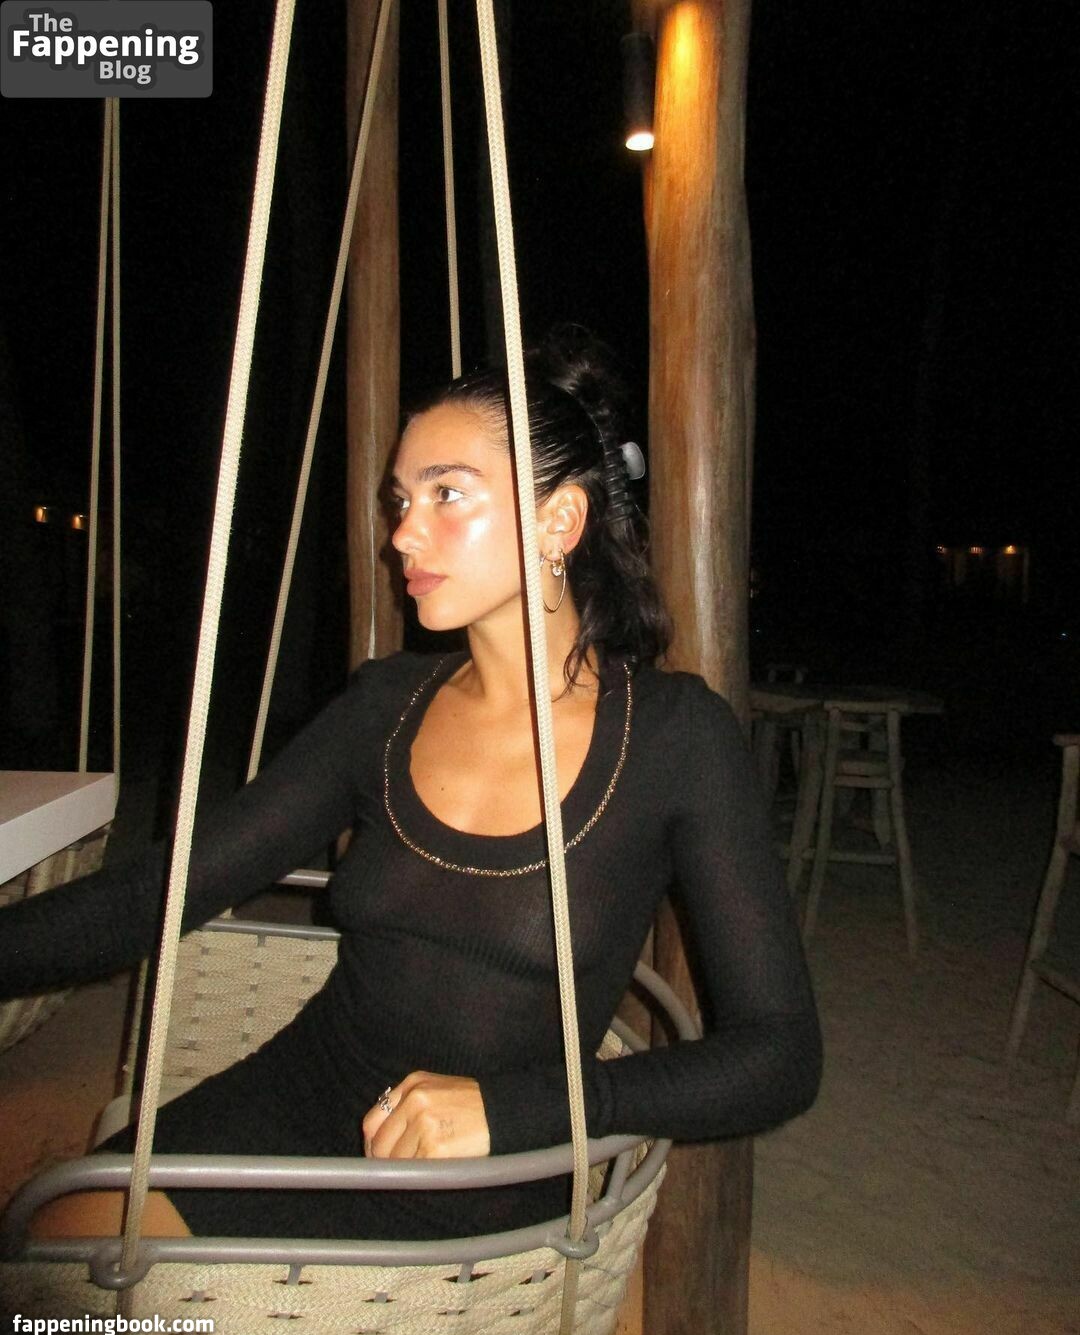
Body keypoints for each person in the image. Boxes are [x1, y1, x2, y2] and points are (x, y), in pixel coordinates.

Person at [0, 326, 822, 1245]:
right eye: (401, 499)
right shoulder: (384, 706)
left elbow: (780, 1055)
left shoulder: (674, 738)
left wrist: (519, 1111)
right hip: (306, 1091)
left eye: (446, 494)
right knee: (52, 1242)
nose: (401, 535)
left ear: (560, 521)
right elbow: (163, 892)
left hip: (487, 1171)